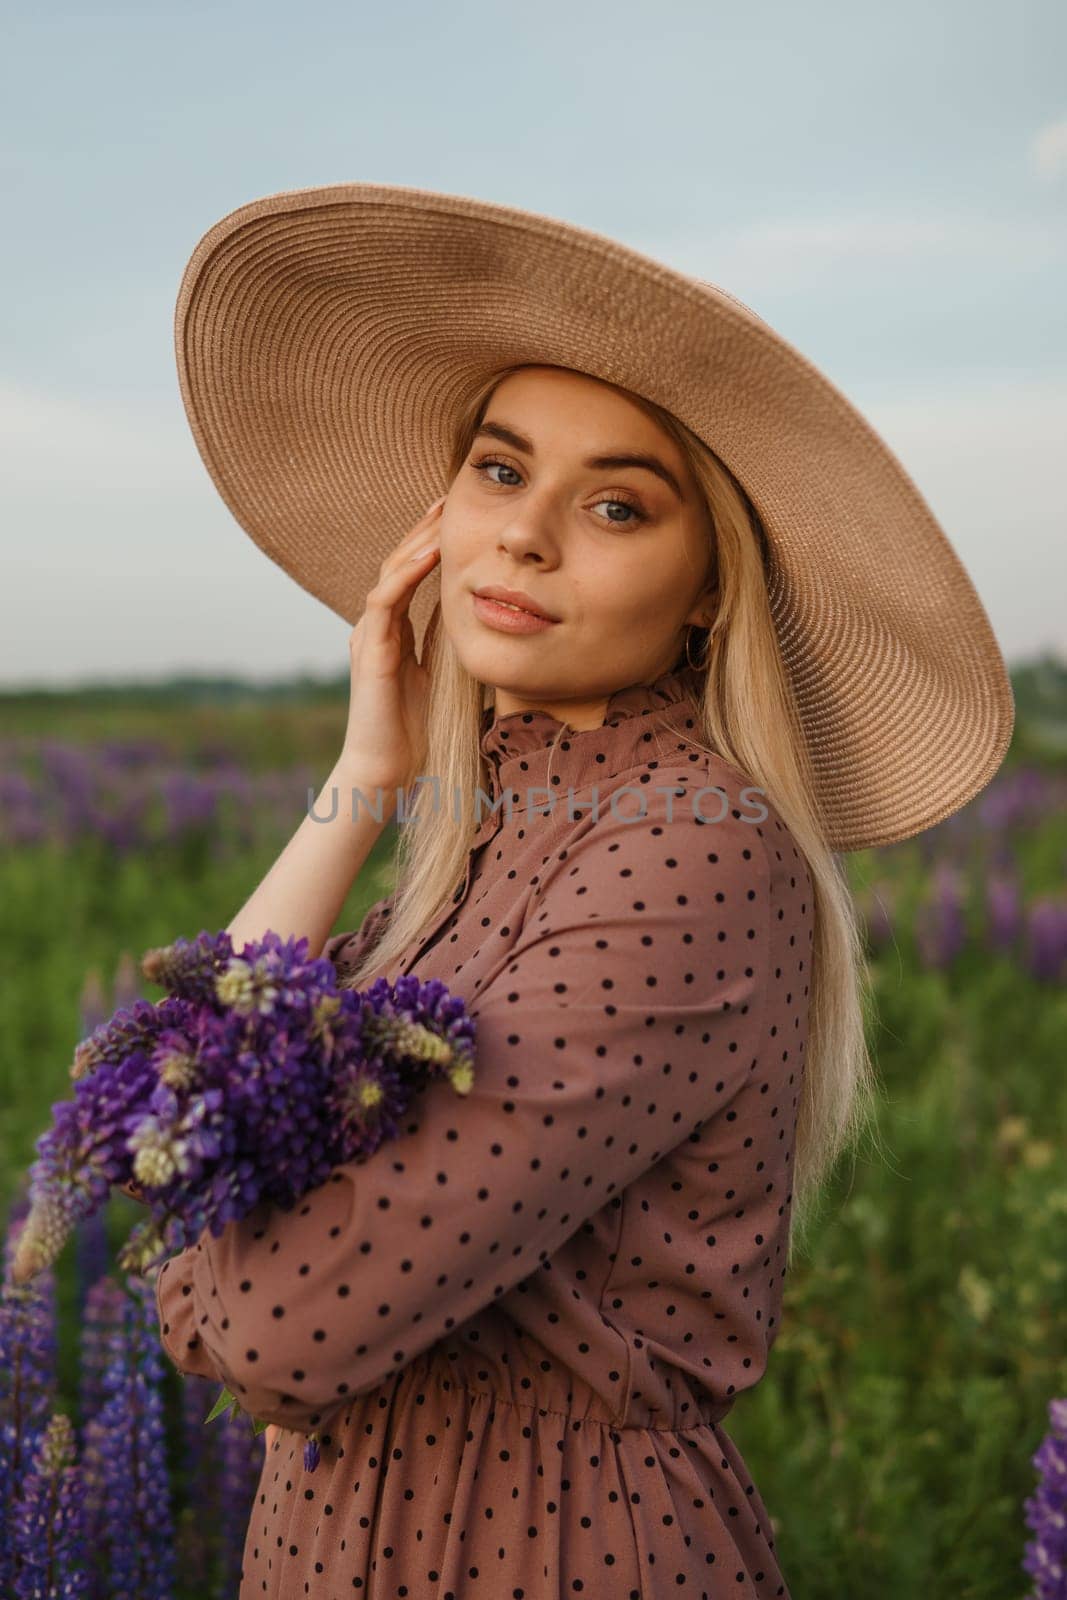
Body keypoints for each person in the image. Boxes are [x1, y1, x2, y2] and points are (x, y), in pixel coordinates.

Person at [154, 183, 1014, 1599]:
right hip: (343, 1534)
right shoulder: (502, 823)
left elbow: (282, 1324)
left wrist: (196, 1243)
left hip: (546, 1545)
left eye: (616, 503)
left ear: (709, 591)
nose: (526, 535)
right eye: (499, 471)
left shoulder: (697, 855)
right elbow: (178, 1110)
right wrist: (365, 777)